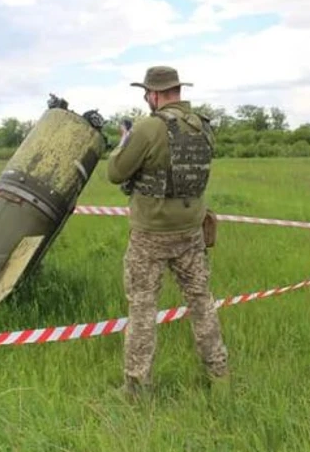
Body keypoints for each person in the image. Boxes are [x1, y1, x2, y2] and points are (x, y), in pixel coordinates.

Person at [106, 65, 229, 397]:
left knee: (143, 308)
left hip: (150, 234)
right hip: (191, 231)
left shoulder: (148, 128)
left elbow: (116, 173)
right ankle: (220, 378)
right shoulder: (203, 127)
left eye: (147, 93)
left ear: (154, 94)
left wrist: (125, 142)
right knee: (202, 303)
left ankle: (136, 387)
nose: (147, 98)